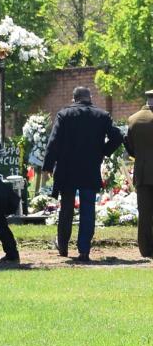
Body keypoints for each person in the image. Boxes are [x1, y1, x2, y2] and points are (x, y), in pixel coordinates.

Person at [43, 86, 123, 262]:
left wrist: (48, 165)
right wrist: (103, 152)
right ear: (90, 97)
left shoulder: (64, 114)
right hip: (89, 168)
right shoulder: (102, 115)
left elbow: (54, 141)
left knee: (66, 209)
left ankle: (63, 246)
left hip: (67, 169)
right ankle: (84, 250)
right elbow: (118, 137)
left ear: (74, 98)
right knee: (88, 209)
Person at [124, 89, 153, 258]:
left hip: (142, 172)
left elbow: (130, 147)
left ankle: (146, 249)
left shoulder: (133, 119)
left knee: (144, 213)